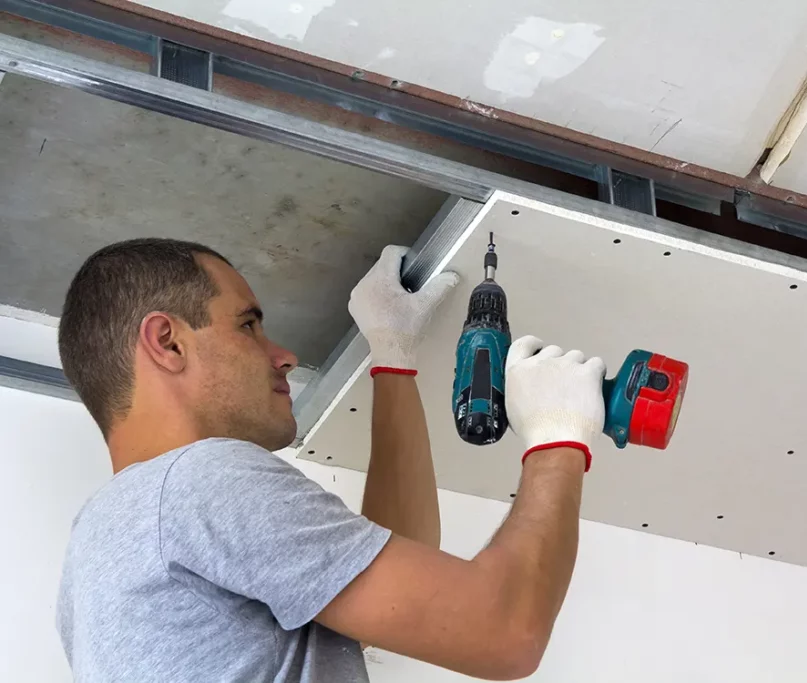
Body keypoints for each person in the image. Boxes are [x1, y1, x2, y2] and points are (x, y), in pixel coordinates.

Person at [55, 237, 607, 682]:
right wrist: (559, 437)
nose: (284, 356)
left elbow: (398, 586)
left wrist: (393, 356)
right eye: (247, 325)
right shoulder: (202, 480)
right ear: (168, 343)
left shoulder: (101, 546)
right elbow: (504, 635)